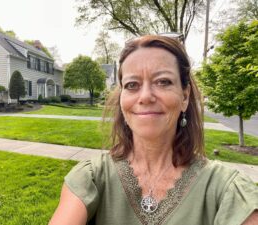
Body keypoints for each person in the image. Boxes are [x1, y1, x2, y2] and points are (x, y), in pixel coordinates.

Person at [49, 35, 258, 225]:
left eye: (163, 82)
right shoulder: (91, 178)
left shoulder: (225, 189)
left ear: (184, 97)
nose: (146, 96)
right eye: (132, 85)